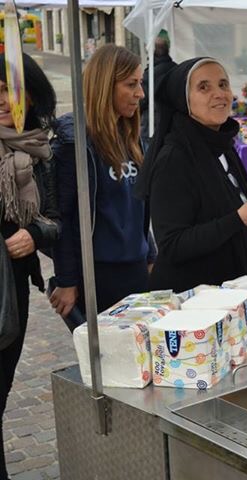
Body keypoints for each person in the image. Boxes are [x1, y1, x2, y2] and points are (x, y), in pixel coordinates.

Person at [135, 57, 247, 293]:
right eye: (204, 87)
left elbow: (228, 197)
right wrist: (238, 219)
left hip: (228, 292)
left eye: (223, 84)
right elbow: (173, 244)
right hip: (194, 299)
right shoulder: (174, 159)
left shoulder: (220, 142)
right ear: (183, 99)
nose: (219, 94)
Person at [50, 44, 154, 318]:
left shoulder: (132, 139)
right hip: (98, 275)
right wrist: (67, 280)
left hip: (136, 269)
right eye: (131, 84)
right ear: (105, 85)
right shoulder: (75, 144)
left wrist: (150, 255)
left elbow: (138, 208)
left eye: (140, 83)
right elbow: (62, 217)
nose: (140, 93)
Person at [0, 53, 59, 480]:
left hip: (10, 291)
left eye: (9, 88)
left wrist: (35, 234)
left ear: (31, 94)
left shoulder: (41, 148)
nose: (2, 99)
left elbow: (58, 218)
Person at [140, 29, 177, 147]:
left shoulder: (150, 74)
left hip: (152, 131)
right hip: (173, 130)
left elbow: (140, 102)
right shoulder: (177, 70)